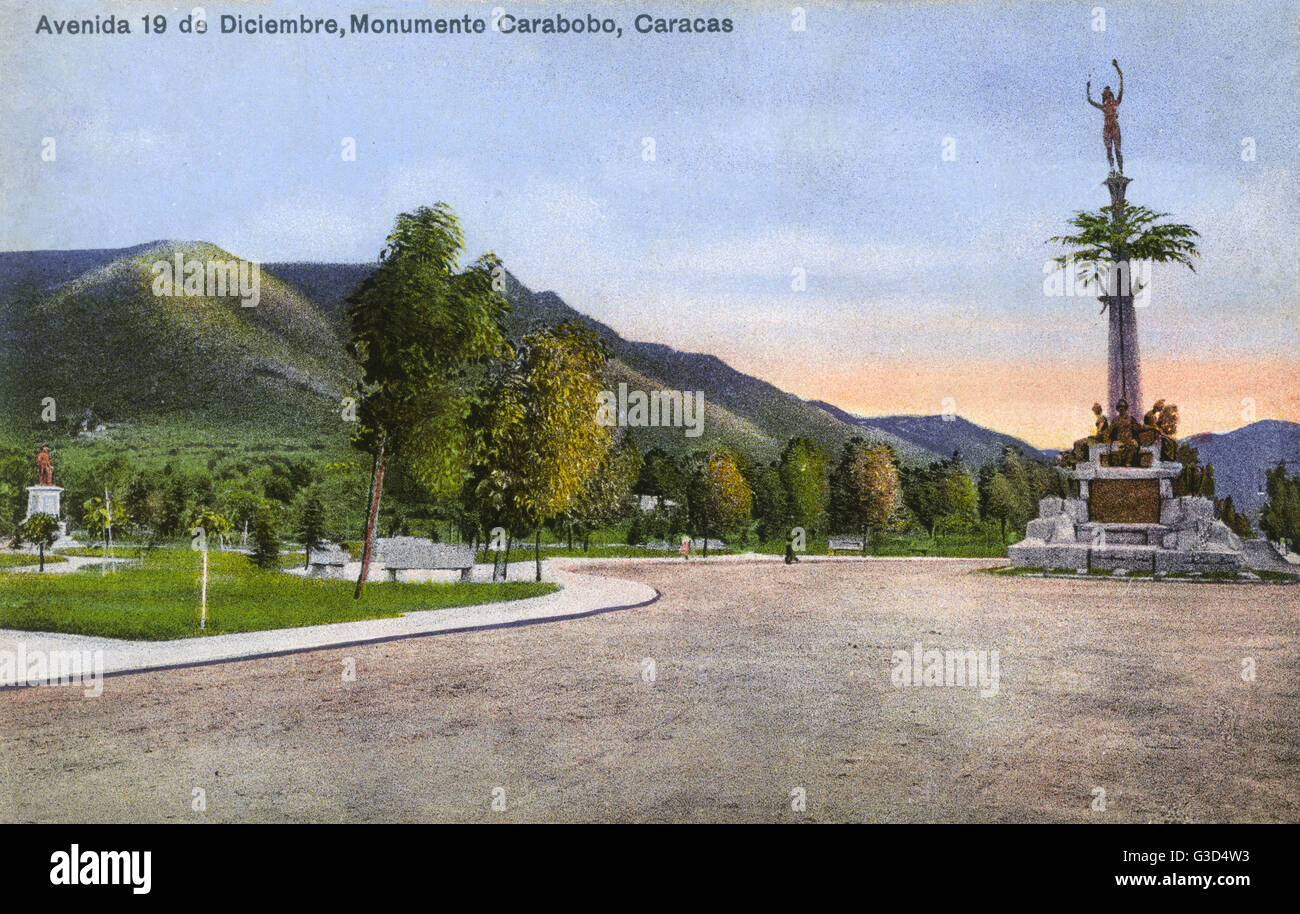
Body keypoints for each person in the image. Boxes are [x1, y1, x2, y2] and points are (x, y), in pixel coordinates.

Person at [1087, 59, 1125, 174]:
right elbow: (1090, 101)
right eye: (1106, 95)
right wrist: (1087, 89)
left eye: (1109, 95)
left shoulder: (1115, 104)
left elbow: (1121, 84)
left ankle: (1120, 170)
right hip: (1107, 129)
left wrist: (1117, 68)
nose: (1107, 97)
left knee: (1117, 150)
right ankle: (1112, 169)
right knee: (1109, 150)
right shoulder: (1104, 107)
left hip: (1114, 128)